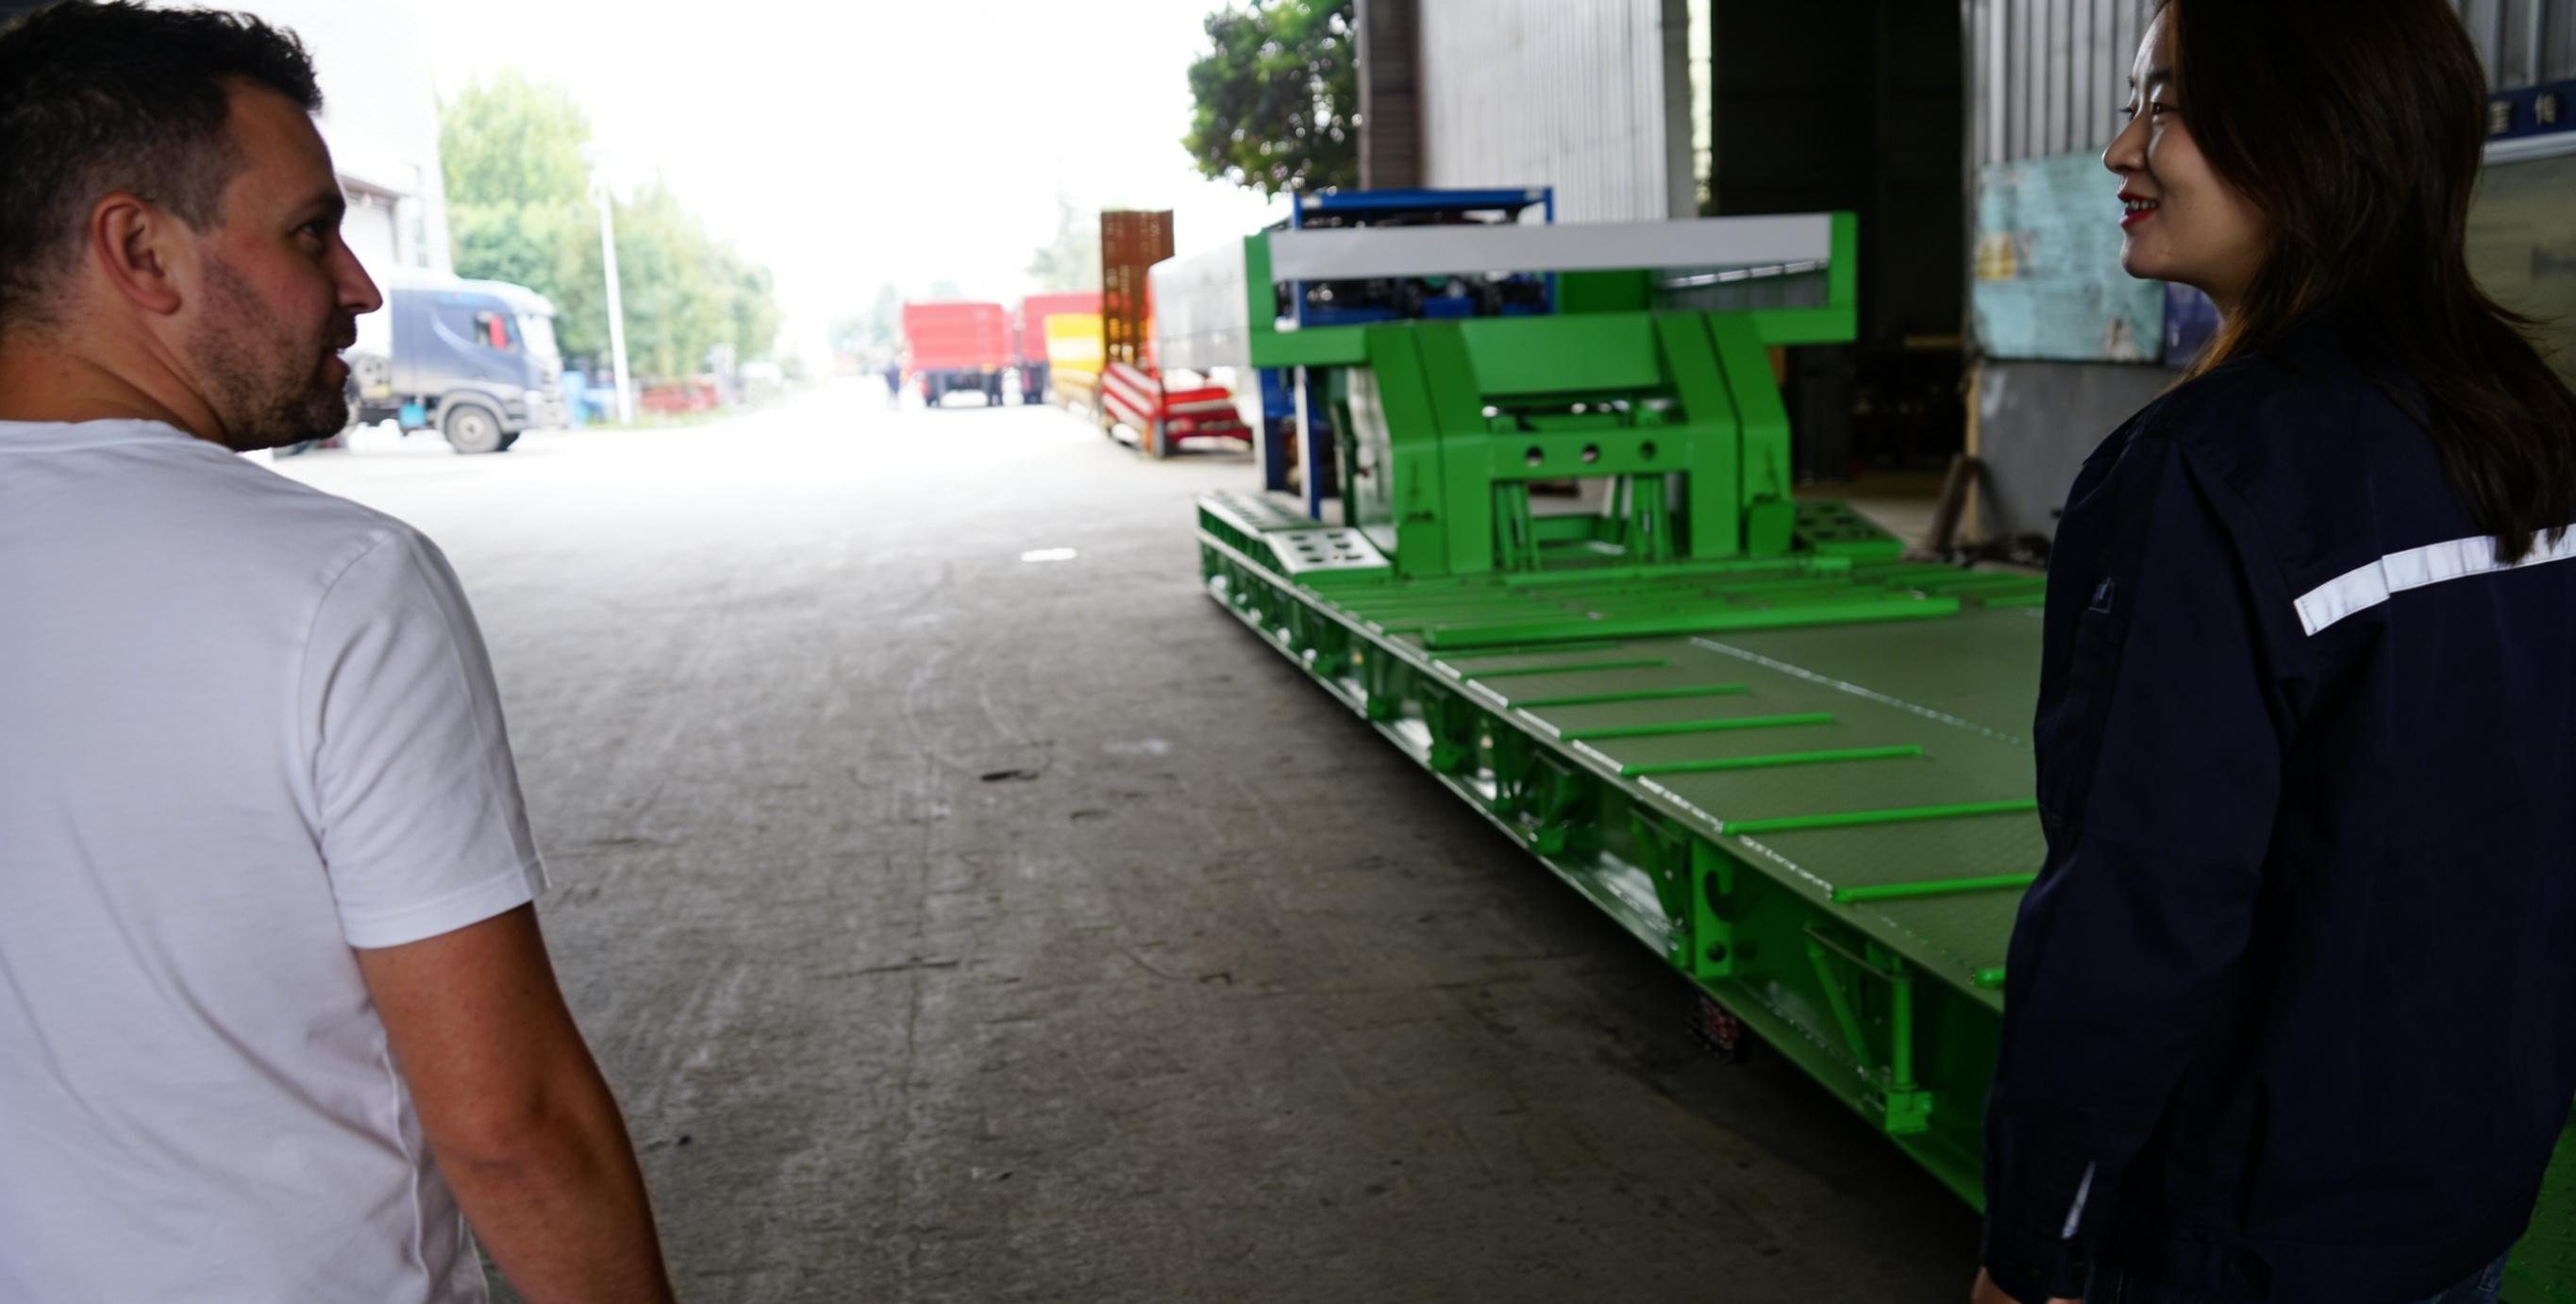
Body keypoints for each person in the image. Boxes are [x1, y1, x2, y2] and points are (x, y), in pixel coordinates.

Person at [0, 5, 677, 1301]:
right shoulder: (336, 590)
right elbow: (513, 1129)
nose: (361, 285)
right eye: (313, 230)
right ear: (140, 249)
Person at [1971, 1, 2576, 1302]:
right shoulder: (2531, 433)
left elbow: (2137, 905)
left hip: (2239, 1240)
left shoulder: (2200, 473)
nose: (2120, 148)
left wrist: (2035, 1248)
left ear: (2311, 129)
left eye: (2164, 103)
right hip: (2461, 1198)